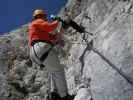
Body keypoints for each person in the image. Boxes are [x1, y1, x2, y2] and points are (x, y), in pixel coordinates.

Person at [28, 9, 75, 100]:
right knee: (59, 70)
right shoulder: (38, 21)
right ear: (41, 16)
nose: (46, 18)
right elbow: (50, 27)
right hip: (41, 48)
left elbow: (53, 38)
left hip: (34, 53)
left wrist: (60, 31)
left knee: (53, 71)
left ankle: (55, 93)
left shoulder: (37, 30)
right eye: (45, 16)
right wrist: (58, 20)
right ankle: (65, 96)